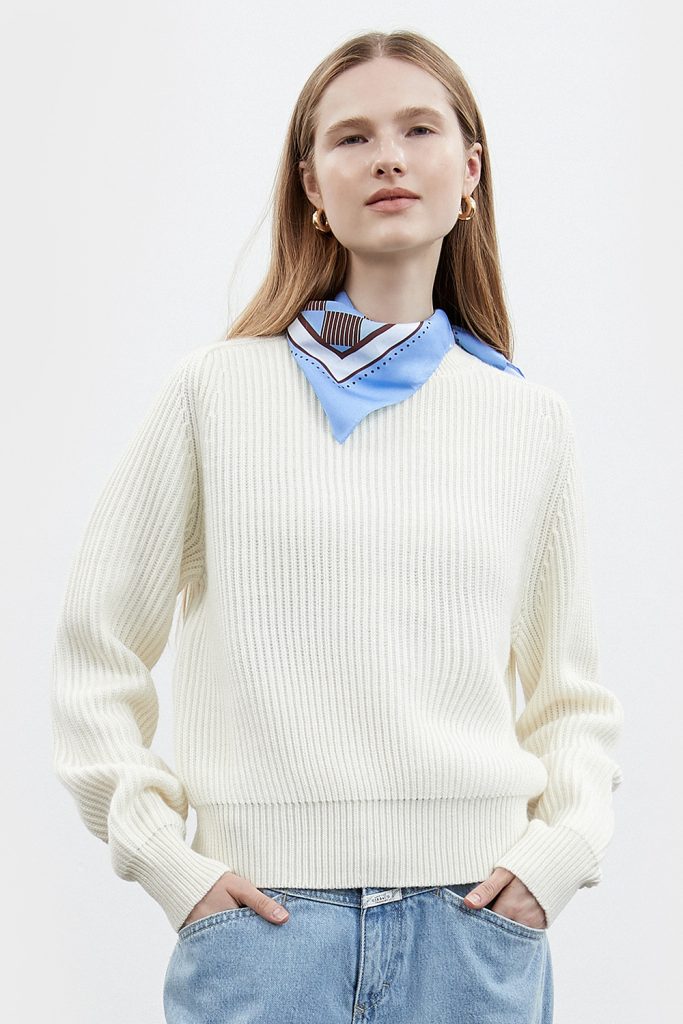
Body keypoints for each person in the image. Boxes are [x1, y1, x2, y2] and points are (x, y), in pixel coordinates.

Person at [50, 28, 624, 1024]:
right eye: (352, 137)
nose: (388, 157)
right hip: (265, 933)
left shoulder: (527, 421)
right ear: (312, 184)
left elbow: (568, 695)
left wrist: (560, 853)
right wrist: (164, 858)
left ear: (469, 171)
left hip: (473, 927)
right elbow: (96, 650)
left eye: (418, 129)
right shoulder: (215, 394)